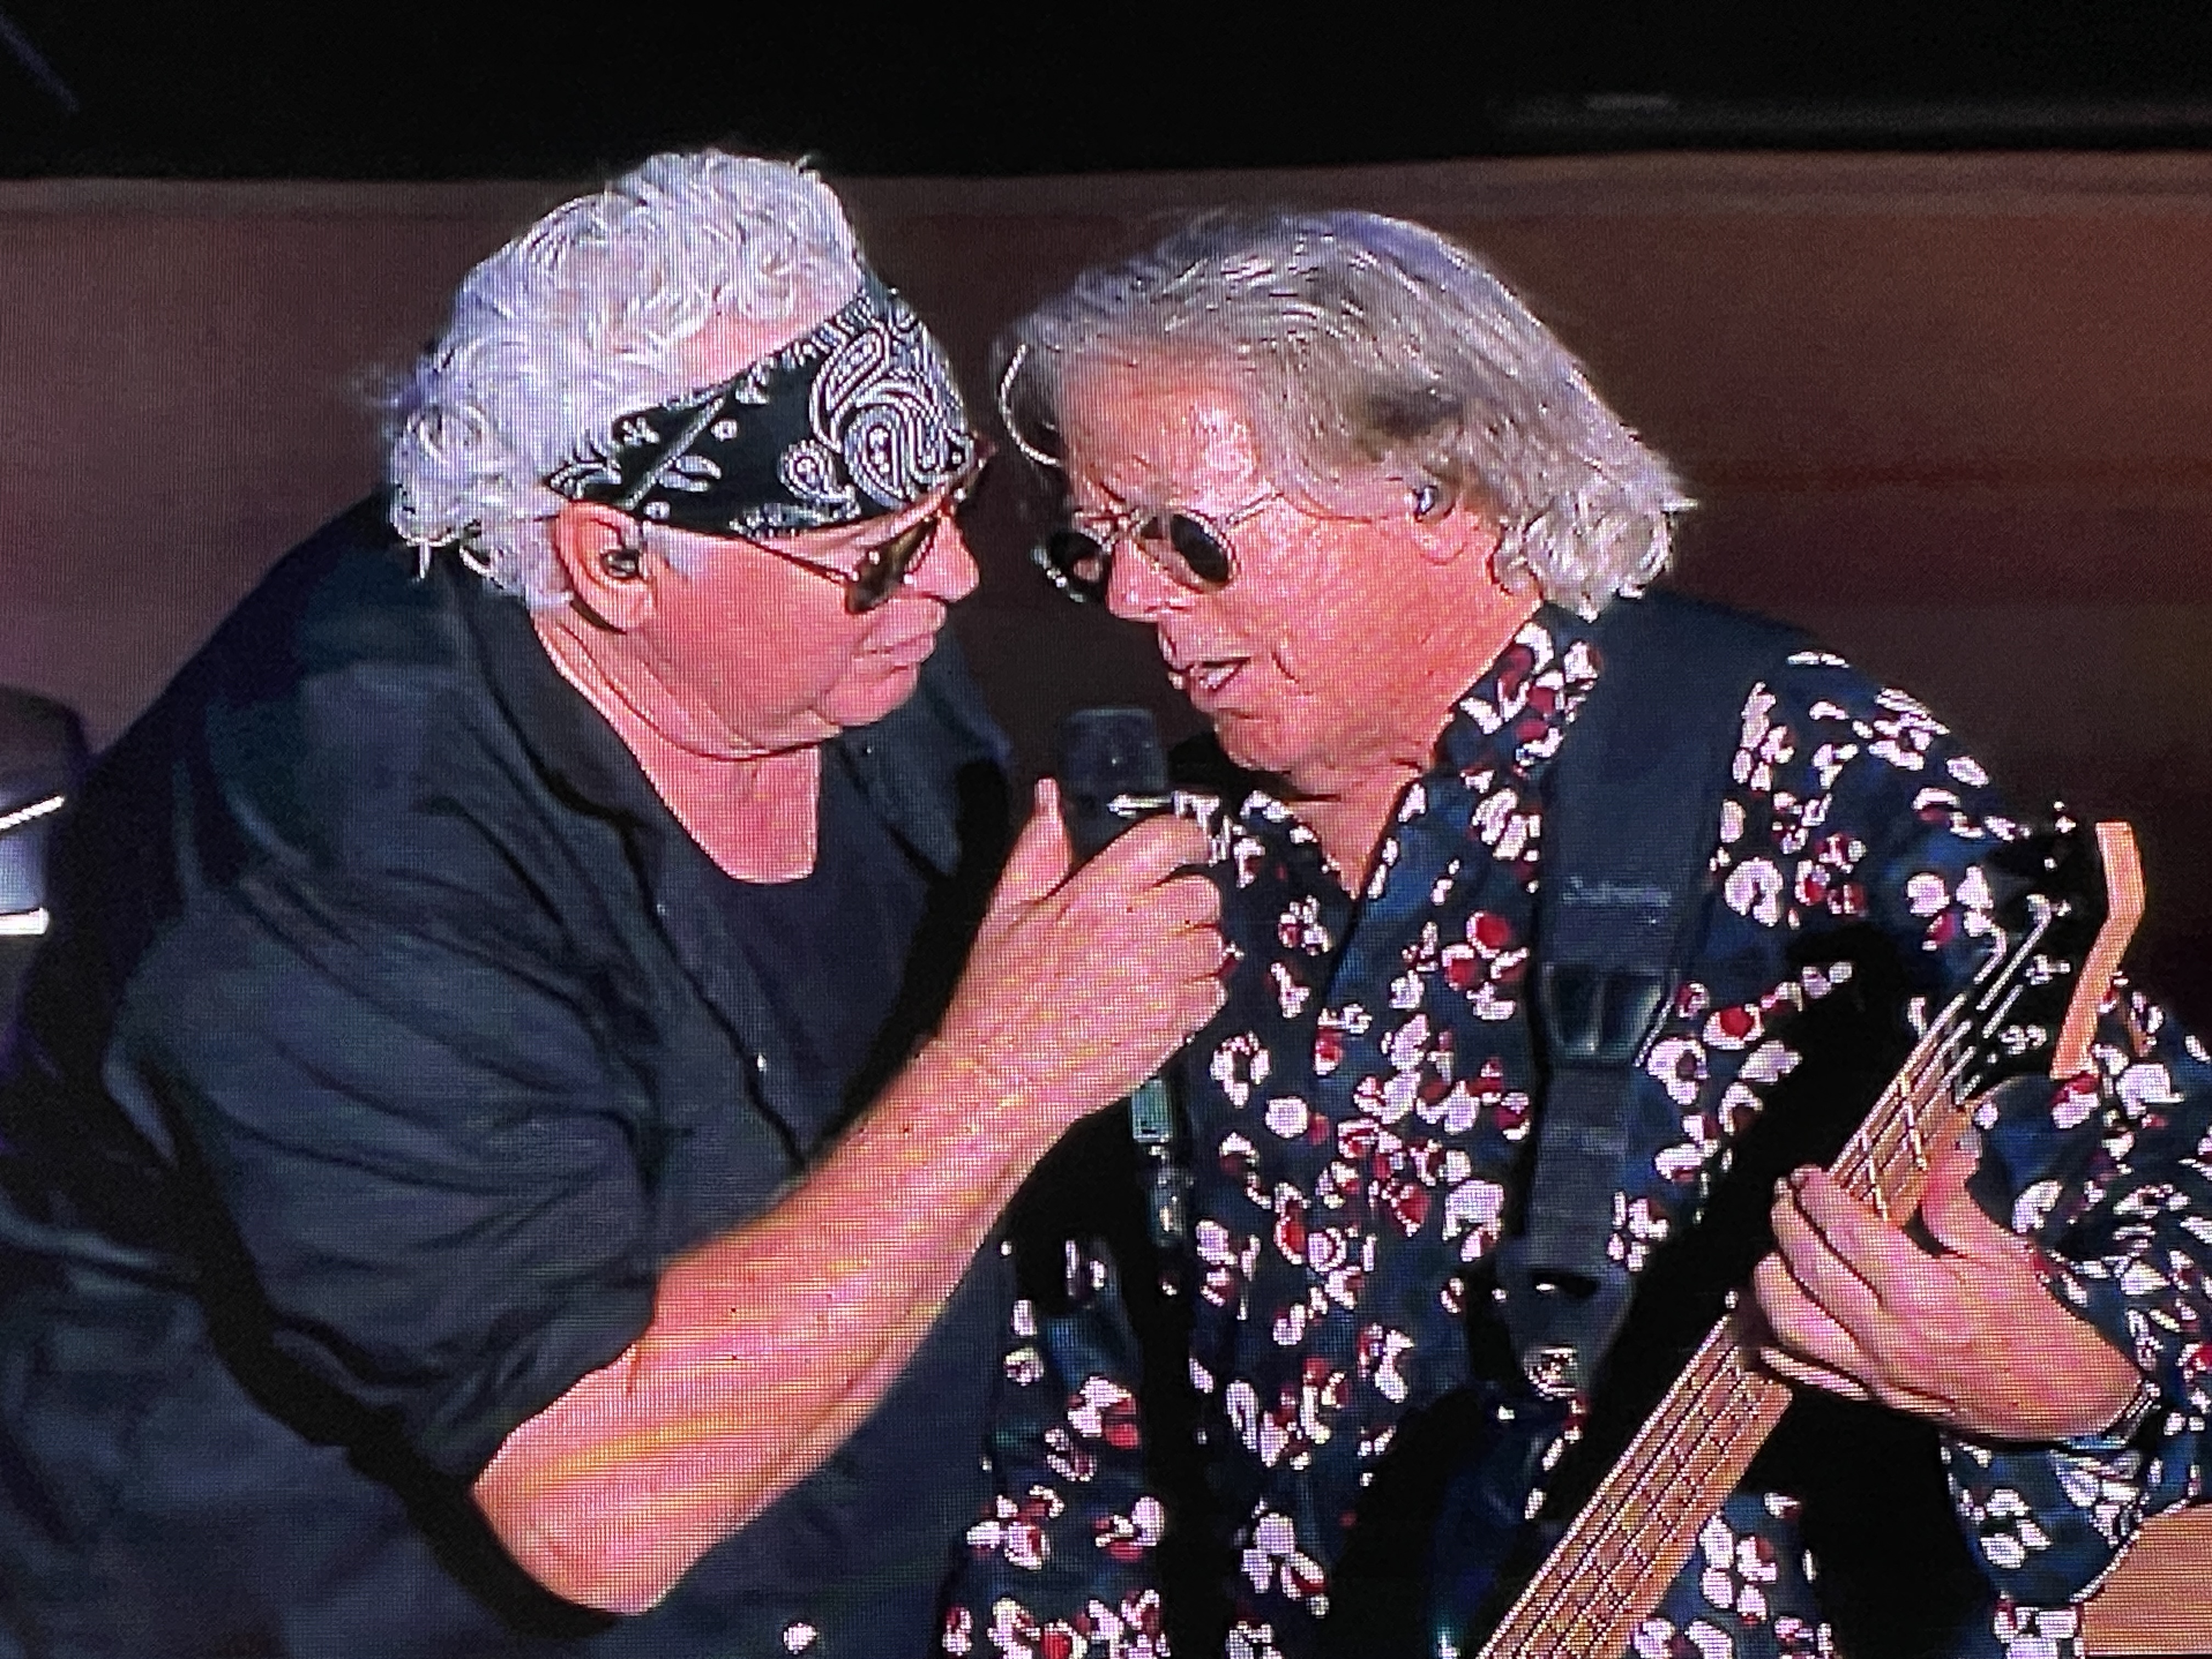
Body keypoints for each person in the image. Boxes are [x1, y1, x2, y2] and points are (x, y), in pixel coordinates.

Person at [0, 150, 1226, 1658]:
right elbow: (599, 1505)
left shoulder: (832, 643)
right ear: (617, 563)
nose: (955, 580)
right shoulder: (336, 851)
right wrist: (1008, 1073)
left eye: (950, 506)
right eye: (881, 555)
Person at [947, 211, 2212, 1659]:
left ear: (1435, 490)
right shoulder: (1166, 862)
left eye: (1187, 538)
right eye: (1093, 546)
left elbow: (2177, 1191)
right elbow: (1081, 1412)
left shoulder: (1786, 764)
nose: (1129, 598)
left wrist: (2074, 1385)